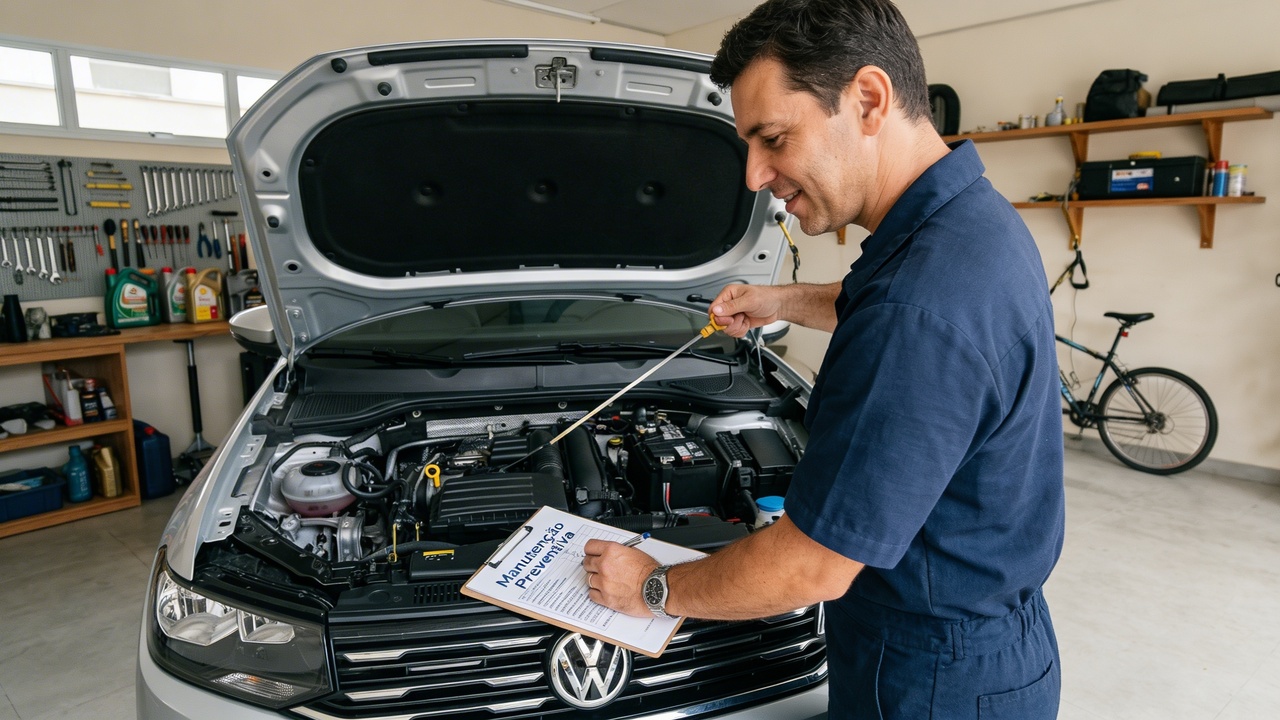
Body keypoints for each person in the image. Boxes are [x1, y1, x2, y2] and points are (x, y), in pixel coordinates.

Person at [582, 0, 1066, 718]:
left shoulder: (919, 311)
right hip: (989, 643)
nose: (753, 174)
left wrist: (653, 586)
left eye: (772, 137)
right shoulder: (968, 227)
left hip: (928, 681)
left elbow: (812, 564)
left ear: (867, 99)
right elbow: (873, 300)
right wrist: (778, 303)